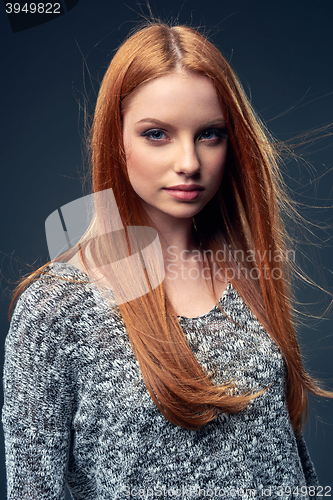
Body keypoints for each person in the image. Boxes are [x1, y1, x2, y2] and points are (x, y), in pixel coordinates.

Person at [2, 22, 332, 500]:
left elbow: (290, 466)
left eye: (210, 134)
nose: (189, 162)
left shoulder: (249, 276)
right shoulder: (56, 308)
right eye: (157, 134)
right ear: (117, 140)